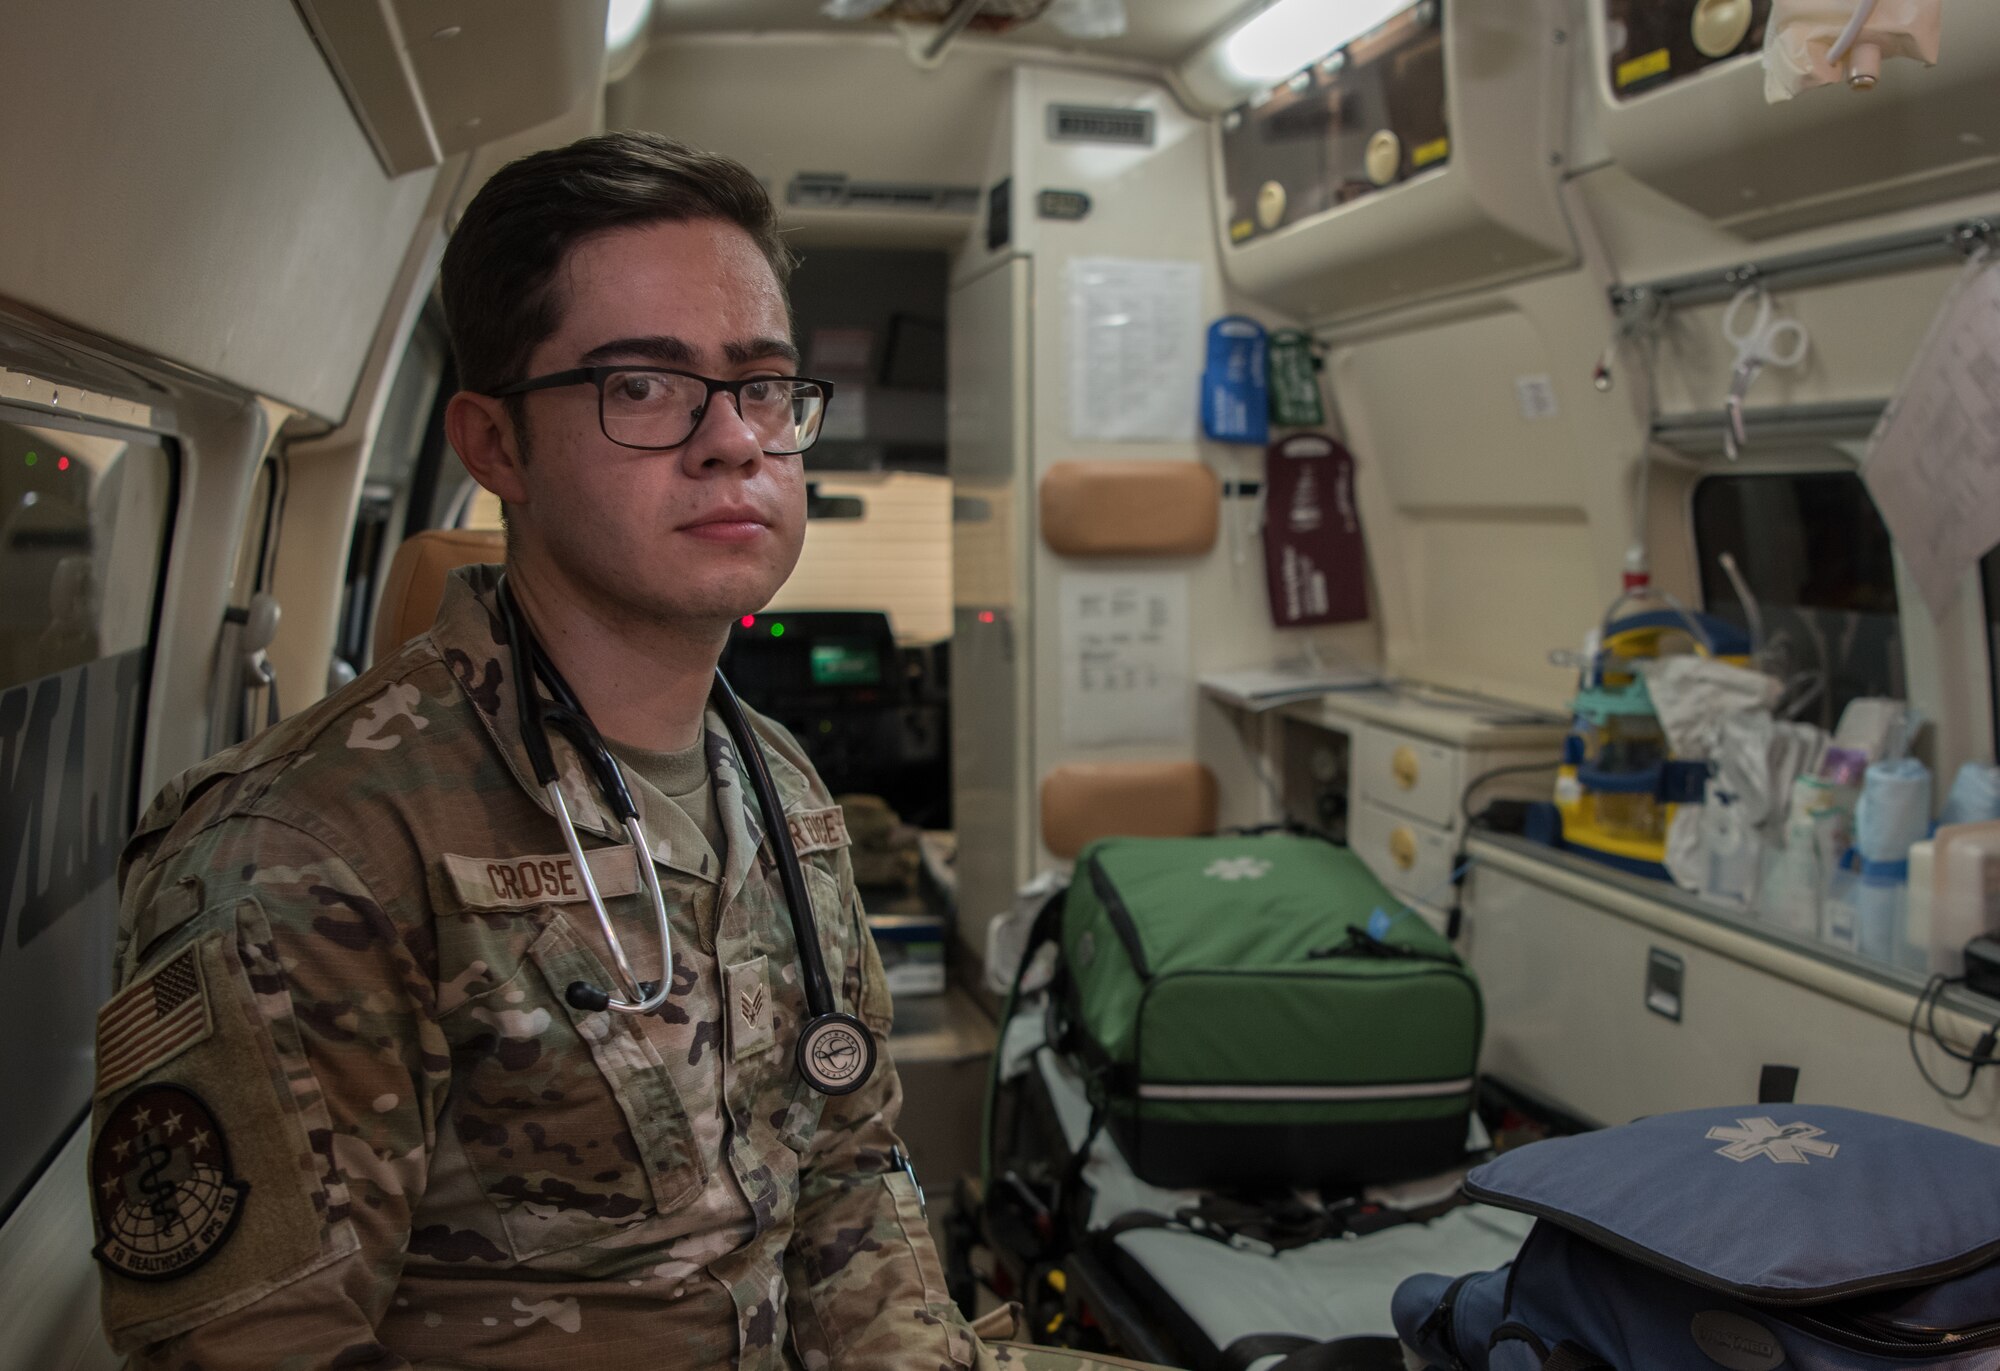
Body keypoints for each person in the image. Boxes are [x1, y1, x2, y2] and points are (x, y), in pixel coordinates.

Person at [90, 131, 1163, 1371]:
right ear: (495, 447)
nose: (734, 441)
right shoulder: (306, 852)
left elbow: (849, 1172)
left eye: (761, 385)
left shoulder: (777, 781)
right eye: (642, 386)